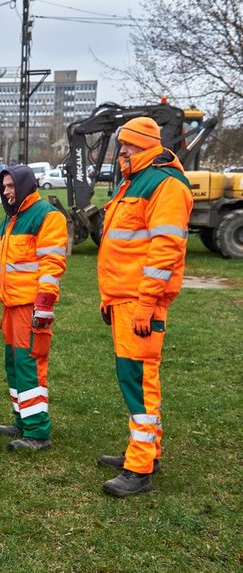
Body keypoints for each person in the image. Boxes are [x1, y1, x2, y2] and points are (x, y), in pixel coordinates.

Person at [96, 117, 192, 497]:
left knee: (139, 381)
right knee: (134, 378)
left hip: (141, 303)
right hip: (126, 299)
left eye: (128, 145)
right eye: (122, 145)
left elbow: (165, 250)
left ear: (144, 144)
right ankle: (145, 451)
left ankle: (139, 468)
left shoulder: (165, 184)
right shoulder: (136, 181)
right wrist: (110, 298)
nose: (122, 151)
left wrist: (145, 304)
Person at [0, 164, 68, 451]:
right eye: (4, 187)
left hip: (30, 308)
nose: (7, 191)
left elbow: (52, 266)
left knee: (30, 366)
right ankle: (22, 420)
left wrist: (44, 306)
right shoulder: (7, 221)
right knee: (15, 367)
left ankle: (38, 432)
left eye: (11, 186)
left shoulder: (46, 217)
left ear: (26, 184)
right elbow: (2, 270)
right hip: (10, 308)